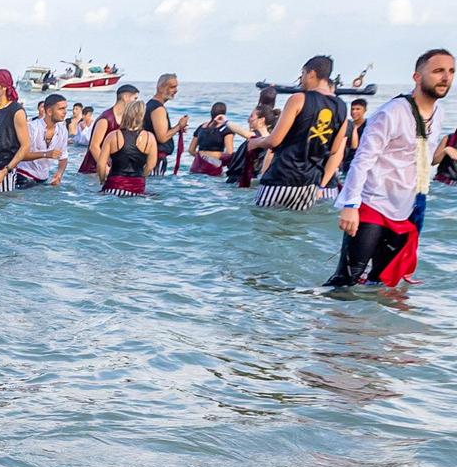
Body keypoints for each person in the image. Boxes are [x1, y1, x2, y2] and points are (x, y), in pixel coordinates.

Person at [327, 48, 453, 288]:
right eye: (438, 71)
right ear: (417, 77)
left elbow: (422, 161)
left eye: (450, 71)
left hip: (404, 209)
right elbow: (362, 159)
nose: (446, 77)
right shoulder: (392, 112)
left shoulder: (438, 113)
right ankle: (330, 323)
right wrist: (350, 205)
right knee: (346, 281)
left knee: (382, 283)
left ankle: (375, 326)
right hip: (372, 205)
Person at [249, 55, 349, 209]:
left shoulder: (298, 99)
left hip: (281, 177)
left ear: (311, 73)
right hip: (309, 184)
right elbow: (334, 149)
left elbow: (274, 140)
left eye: (302, 74)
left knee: (263, 226)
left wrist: (255, 142)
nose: (301, 80)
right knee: (294, 230)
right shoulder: (341, 106)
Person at [93, 99, 156, 197]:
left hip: (113, 186)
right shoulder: (150, 138)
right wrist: (141, 177)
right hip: (137, 188)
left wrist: (102, 181)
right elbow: (150, 166)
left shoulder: (112, 136)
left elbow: (101, 165)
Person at [14, 92, 70, 188]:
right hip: (23, 175)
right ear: (49, 111)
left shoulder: (62, 130)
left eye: (65, 108)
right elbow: (19, 155)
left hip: (44, 178)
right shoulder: (32, 127)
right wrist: (45, 154)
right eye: (61, 109)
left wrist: (59, 173)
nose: (65, 112)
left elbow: (63, 156)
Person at [76, 85, 135, 176]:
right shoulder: (106, 118)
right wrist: (105, 168)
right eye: (134, 98)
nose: (136, 102)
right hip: (94, 170)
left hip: (112, 167)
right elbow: (94, 146)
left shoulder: (125, 118)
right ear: (125, 97)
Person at [144, 73, 187, 174]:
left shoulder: (150, 105)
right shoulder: (158, 109)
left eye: (176, 87)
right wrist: (179, 126)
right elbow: (162, 137)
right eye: (172, 87)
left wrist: (175, 129)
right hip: (155, 159)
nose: (176, 90)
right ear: (160, 88)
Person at [190, 103, 234, 176]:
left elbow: (191, 150)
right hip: (213, 167)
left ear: (211, 112)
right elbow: (229, 153)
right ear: (224, 114)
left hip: (197, 165)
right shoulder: (226, 129)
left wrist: (203, 159)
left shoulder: (201, 127)